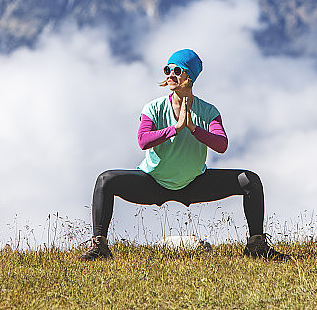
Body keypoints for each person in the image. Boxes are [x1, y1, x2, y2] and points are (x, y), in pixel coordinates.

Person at [77, 48, 287, 261]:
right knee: (106, 180)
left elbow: (221, 145)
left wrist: (194, 129)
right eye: (167, 69)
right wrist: (175, 128)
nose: (170, 74)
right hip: (153, 182)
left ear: (190, 76)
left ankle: (257, 246)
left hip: (194, 182)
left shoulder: (208, 111)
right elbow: (143, 140)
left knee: (249, 180)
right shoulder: (153, 108)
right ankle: (99, 247)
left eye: (177, 70)